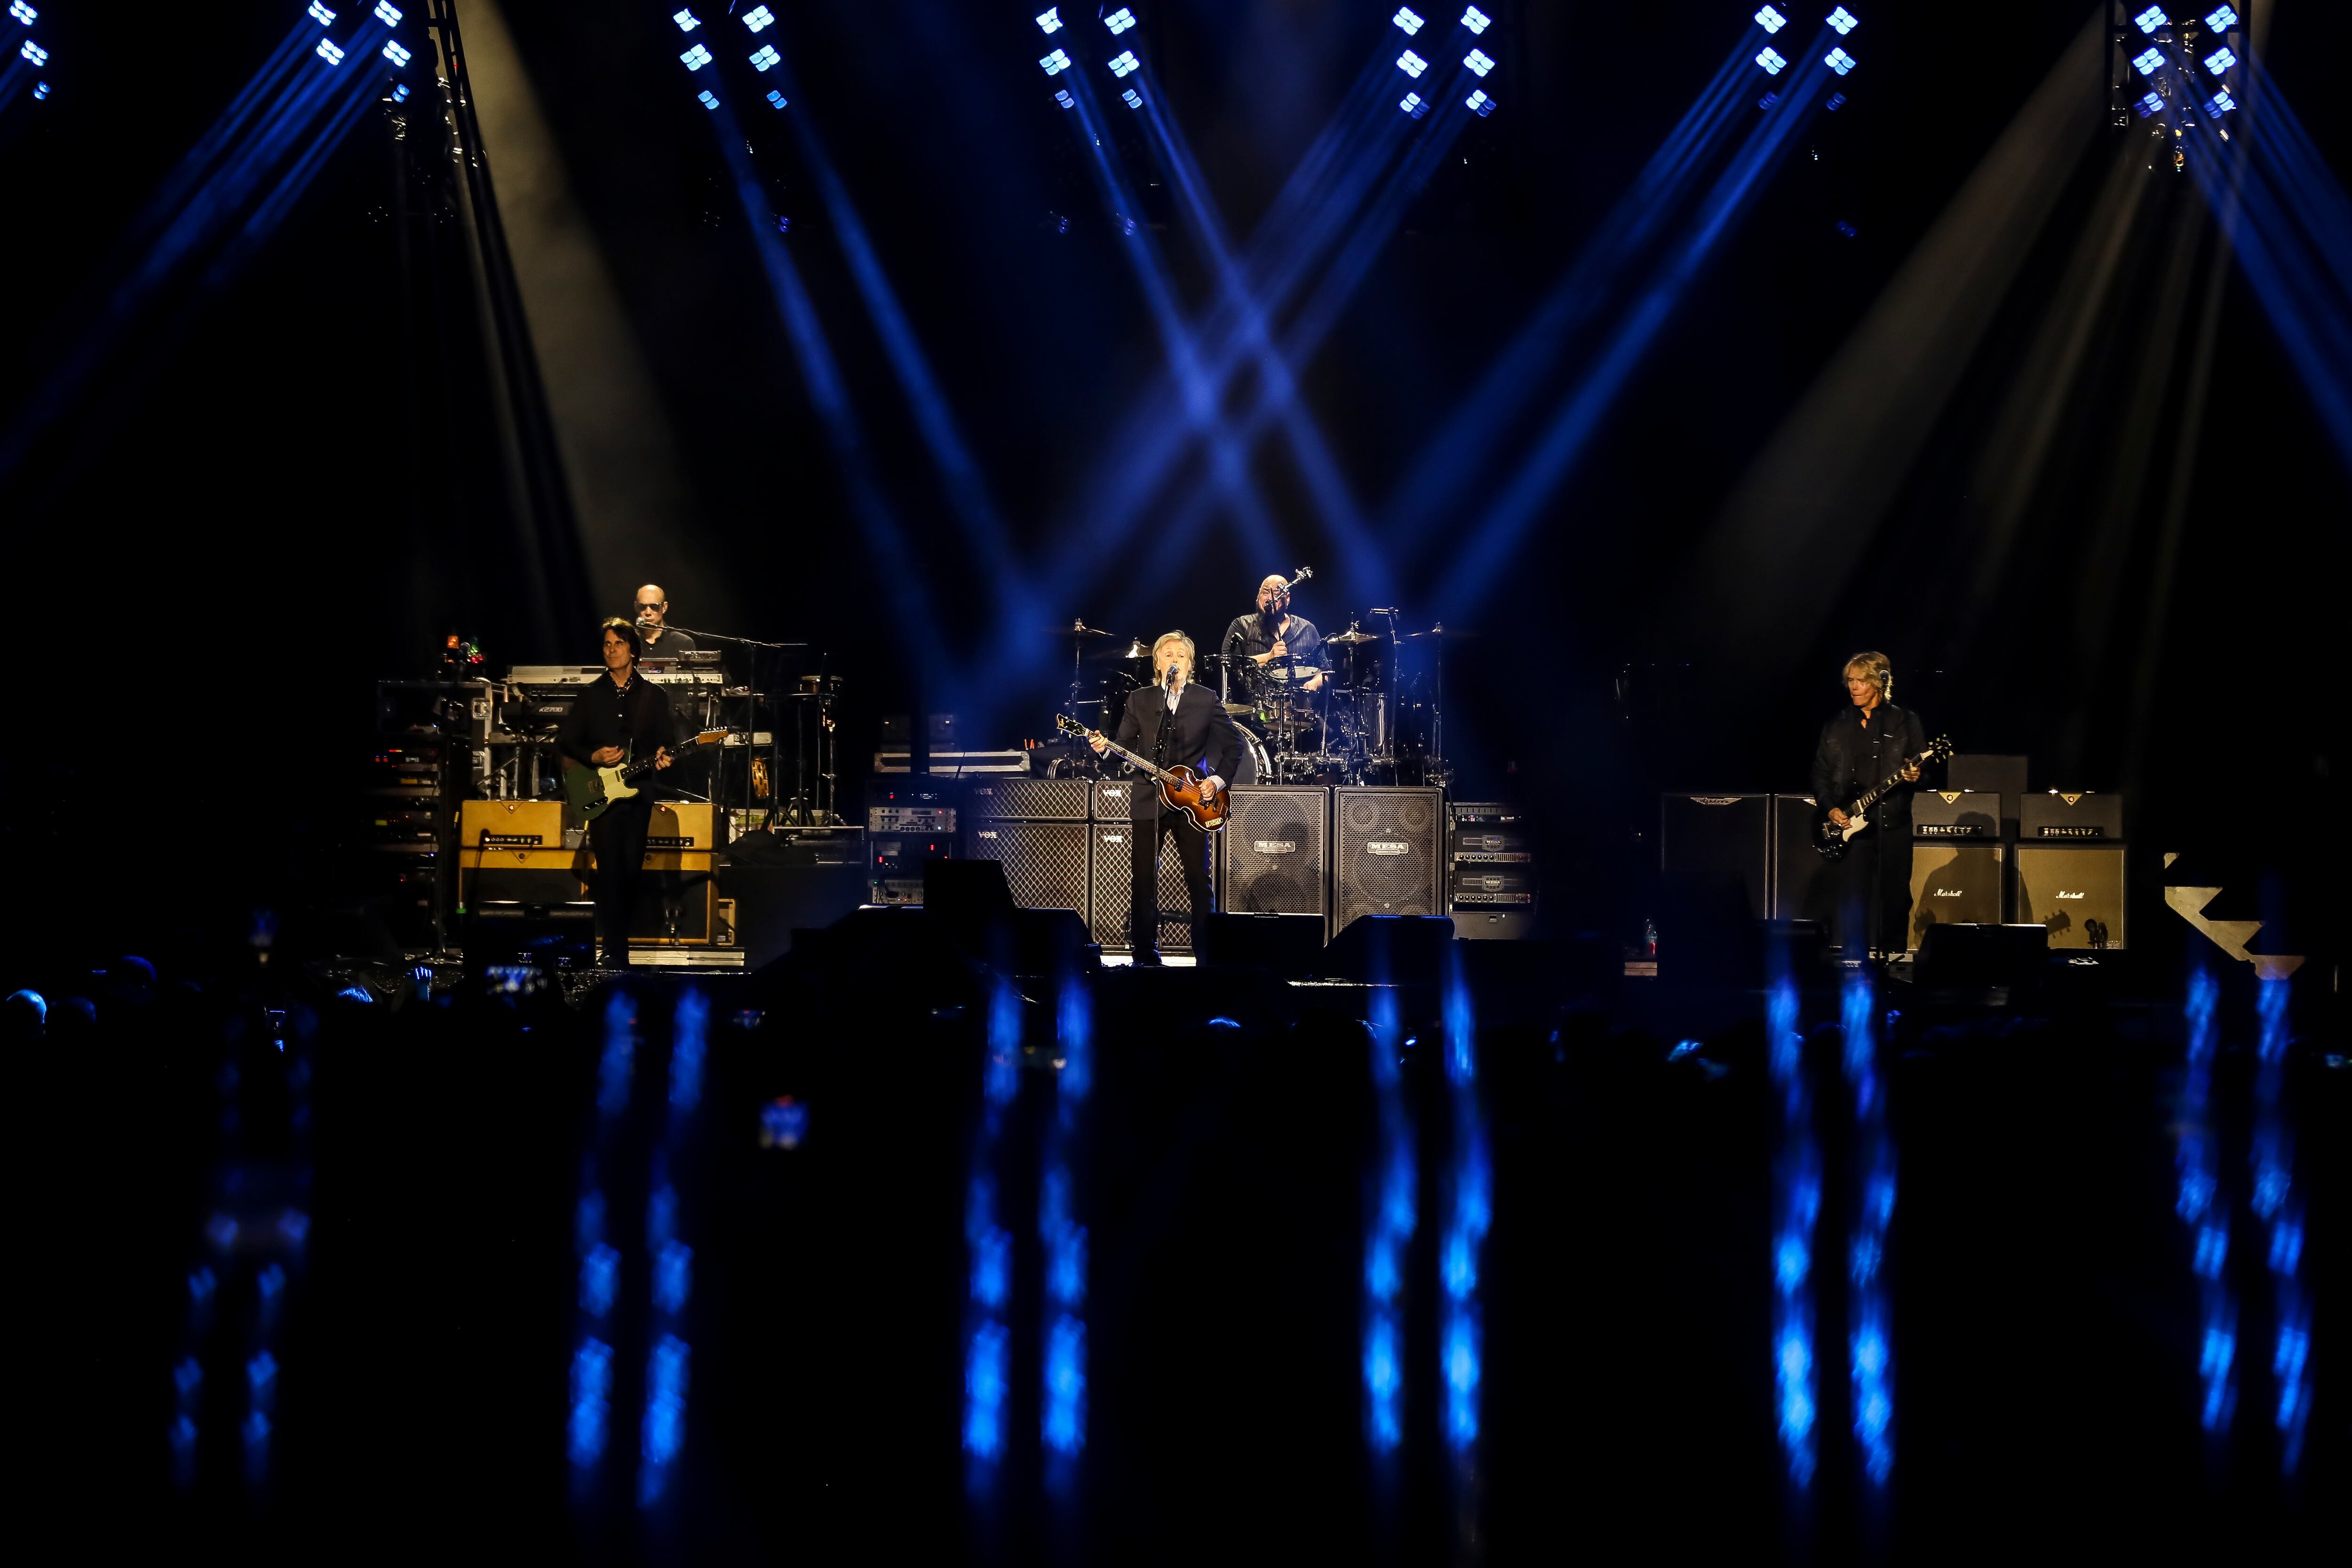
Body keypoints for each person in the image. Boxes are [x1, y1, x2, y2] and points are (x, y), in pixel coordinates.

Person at [1089, 631, 1243, 964]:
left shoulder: (1206, 699)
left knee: (1198, 880)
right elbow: (1124, 749)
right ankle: (1145, 954)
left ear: (1190, 664)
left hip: (1193, 801)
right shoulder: (1140, 699)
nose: (1175, 660)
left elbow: (1235, 747)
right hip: (1149, 798)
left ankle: (1207, 954)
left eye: (1181, 655)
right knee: (1144, 877)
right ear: (1157, 662)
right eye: (1168, 654)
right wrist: (1105, 750)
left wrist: (1216, 782)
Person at [557, 618, 674, 966]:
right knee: (608, 872)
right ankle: (614, 951)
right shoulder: (591, 695)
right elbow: (566, 742)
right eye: (607, 645)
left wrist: (665, 757)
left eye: (618, 644)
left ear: (633, 651)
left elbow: (664, 742)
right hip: (602, 798)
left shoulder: (654, 696)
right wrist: (593, 756)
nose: (611, 650)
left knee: (630, 872)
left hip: (637, 796)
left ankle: (618, 945)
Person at [1810, 650, 1928, 959]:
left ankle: (1893, 960)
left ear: (1879, 682)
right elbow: (1821, 774)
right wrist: (1831, 808)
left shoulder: (1905, 721)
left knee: (1896, 898)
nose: (1854, 687)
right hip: (1851, 828)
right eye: (1850, 681)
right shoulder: (1837, 725)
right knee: (1853, 898)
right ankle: (1854, 961)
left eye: (1861, 681)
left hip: (1893, 823)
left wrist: (1917, 773)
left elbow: (1924, 765)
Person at [1221, 574, 1328, 698]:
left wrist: (1314, 683)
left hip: (1298, 711)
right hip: (1251, 710)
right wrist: (1269, 657)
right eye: (1265, 592)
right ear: (1258, 596)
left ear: (1287, 599)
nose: (1270, 598)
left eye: (1277, 593)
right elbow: (1227, 663)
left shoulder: (1307, 629)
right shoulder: (1242, 626)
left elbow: (1325, 671)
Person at [634, 584, 697, 660]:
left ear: (664, 607)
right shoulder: (627, 642)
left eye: (654, 607)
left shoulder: (684, 643)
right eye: (642, 607)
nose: (648, 613)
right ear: (636, 607)